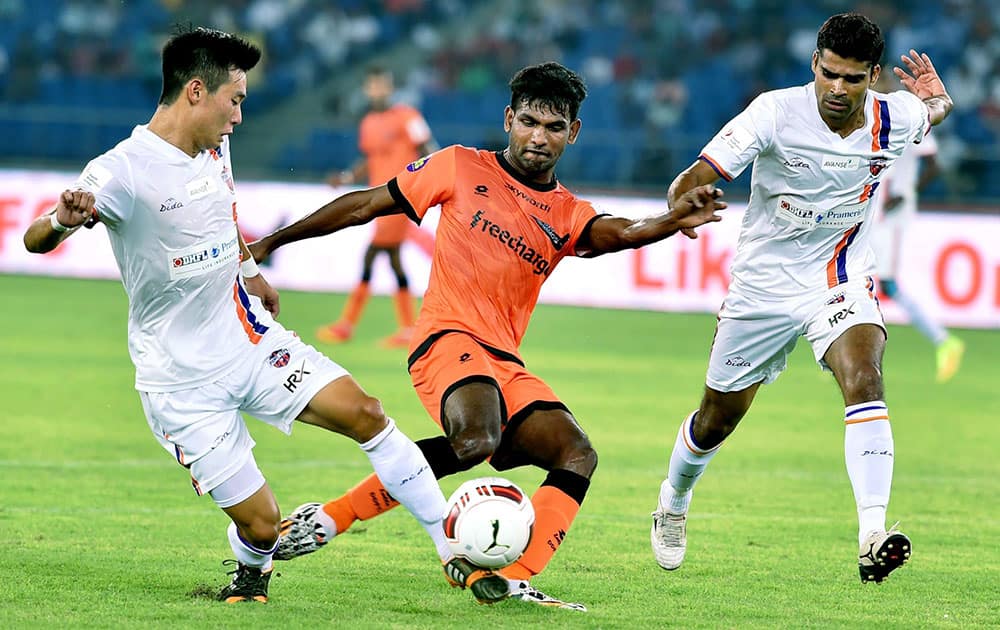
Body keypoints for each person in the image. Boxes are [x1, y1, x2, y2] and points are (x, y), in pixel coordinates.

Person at [248, 61, 725, 611]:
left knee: (576, 453)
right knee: (477, 441)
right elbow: (365, 203)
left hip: (504, 361)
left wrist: (670, 220)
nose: (537, 138)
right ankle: (334, 517)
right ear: (508, 119)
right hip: (445, 340)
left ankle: (516, 578)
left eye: (552, 128)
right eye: (528, 122)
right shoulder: (458, 166)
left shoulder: (568, 213)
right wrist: (273, 243)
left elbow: (620, 232)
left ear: (573, 133)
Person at [22, 26, 451, 604]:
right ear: (196, 91)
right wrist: (63, 221)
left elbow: (224, 210)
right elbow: (34, 239)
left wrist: (248, 270)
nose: (240, 117)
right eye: (236, 100)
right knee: (263, 525)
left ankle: (454, 551)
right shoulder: (120, 171)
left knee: (367, 413)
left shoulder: (214, 145)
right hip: (180, 381)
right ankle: (253, 569)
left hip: (246, 337)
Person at [648, 13, 953, 584]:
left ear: (874, 77)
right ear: (815, 63)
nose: (838, 89)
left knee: (864, 376)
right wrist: (682, 204)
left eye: (853, 79)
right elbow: (692, 176)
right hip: (762, 286)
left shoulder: (896, 117)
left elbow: (930, 112)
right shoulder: (774, 111)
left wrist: (939, 102)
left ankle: (871, 534)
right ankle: (673, 501)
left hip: (838, 276)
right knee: (716, 420)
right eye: (829, 73)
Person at [318, 65, 437, 349]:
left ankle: (347, 324)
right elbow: (371, 159)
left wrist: (428, 186)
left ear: (390, 87)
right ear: (367, 89)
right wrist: (347, 178)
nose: (378, 90)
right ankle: (408, 328)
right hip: (378, 198)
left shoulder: (408, 116)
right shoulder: (369, 122)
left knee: (373, 255)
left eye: (383, 85)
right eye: (373, 85)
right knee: (393, 260)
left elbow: (429, 150)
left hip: (399, 198)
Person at [870, 72, 965, 383]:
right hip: (874, 211)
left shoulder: (910, 117)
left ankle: (945, 341)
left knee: (886, 284)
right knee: (864, 280)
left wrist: (906, 193)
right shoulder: (872, 117)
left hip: (893, 215)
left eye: (881, 83)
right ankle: (850, 350)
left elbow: (935, 164)